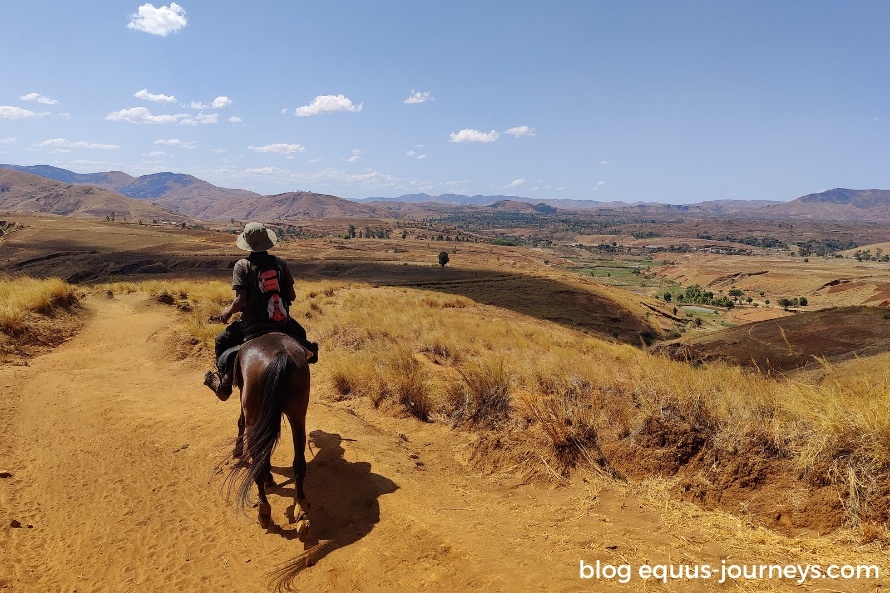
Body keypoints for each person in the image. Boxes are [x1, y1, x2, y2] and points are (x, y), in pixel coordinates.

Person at [204, 222, 318, 399]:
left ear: (247, 244)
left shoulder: (242, 266)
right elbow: (292, 296)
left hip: (250, 324)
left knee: (220, 341)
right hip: (281, 323)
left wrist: (227, 312)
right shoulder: (280, 264)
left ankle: (224, 385)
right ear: (266, 241)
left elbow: (241, 301)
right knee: (301, 335)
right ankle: (306, 360)